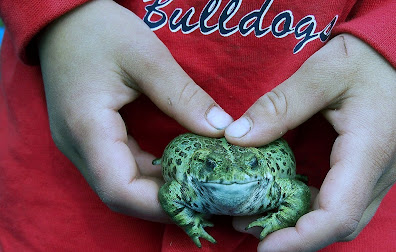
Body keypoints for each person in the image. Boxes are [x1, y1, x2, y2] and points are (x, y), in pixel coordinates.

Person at [0, 0, 395, 251]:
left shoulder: (273, 182)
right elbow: (173, 193)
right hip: (73, 198)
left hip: (356, 183)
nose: (229, 176)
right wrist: (58, 12)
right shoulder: (187, 184)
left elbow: (292, 192)